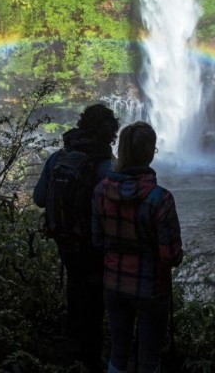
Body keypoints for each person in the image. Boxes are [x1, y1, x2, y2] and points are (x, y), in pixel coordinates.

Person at [33, 104, 120, 373]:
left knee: (75, 287)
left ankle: (74, 352)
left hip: (66, 240)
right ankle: (91, 358)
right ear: (110, 134)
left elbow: (38, 198)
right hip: (96, 247)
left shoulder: (58, 158)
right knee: (95, 299)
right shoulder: (109, 167)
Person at [91, 121, 183, 373]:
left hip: (114, 284)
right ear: (151, 152)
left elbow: (97, 241)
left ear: (121, 150)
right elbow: (172, 255)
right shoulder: (161, 199)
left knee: (118, 350)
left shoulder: (100, 191)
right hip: (151, 288)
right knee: (149, 357)